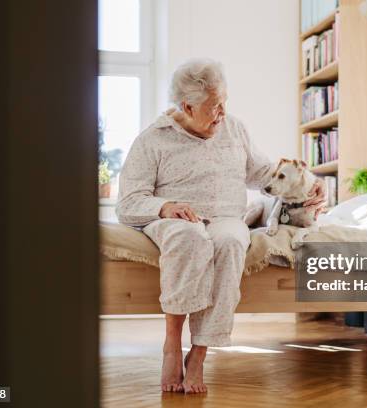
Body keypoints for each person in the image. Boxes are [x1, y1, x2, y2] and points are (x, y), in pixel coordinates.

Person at [116, 58, 326, 393]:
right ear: (187, 106)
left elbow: (264, 174)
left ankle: (198, 354)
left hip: (226, 218)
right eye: (215, 106)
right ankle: (172, 344)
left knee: (230, 243)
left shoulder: (234, 129)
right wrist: (166, 206)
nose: (222, 113)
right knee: (189, 237)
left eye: (224, 102)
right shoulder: (152, 140)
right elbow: (128, 203)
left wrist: (310, 185)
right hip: (173, 220)